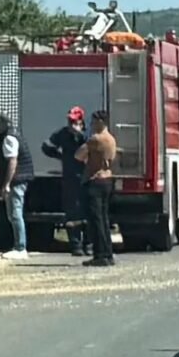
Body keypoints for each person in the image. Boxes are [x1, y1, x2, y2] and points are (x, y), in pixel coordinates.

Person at [42, 106, 91, 257]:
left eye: (74, 121)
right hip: (70, 179)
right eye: (70, 121)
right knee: (72, 213)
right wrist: (60, 156)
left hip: (87, 178)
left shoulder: (88, 134)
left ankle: (89, 244)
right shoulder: (62, 134)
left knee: (89, 212)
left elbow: (94, 148)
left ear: (81, 121)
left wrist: (80, 135)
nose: (71, 124)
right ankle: (75, 245)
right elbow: (46, 146)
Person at [76, 109, 117, 267]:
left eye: (93, 122)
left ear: (101, 122)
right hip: (107, 180)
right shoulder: (111, 139)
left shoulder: (96, 139)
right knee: (104, 219)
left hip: (95, 181)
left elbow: (78, 155)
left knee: (95, 220)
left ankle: (100, 254)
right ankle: (108, 253)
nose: (91, 125)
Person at [0, 112, 34, 260]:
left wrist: (7, 183)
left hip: (16, 180)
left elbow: (12, 161)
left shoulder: (9, 138)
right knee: (14, 214)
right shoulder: (14, 135)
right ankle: (18, 245)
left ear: (5, 123)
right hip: (19, 178)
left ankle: (20, 247)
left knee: (15, 213)